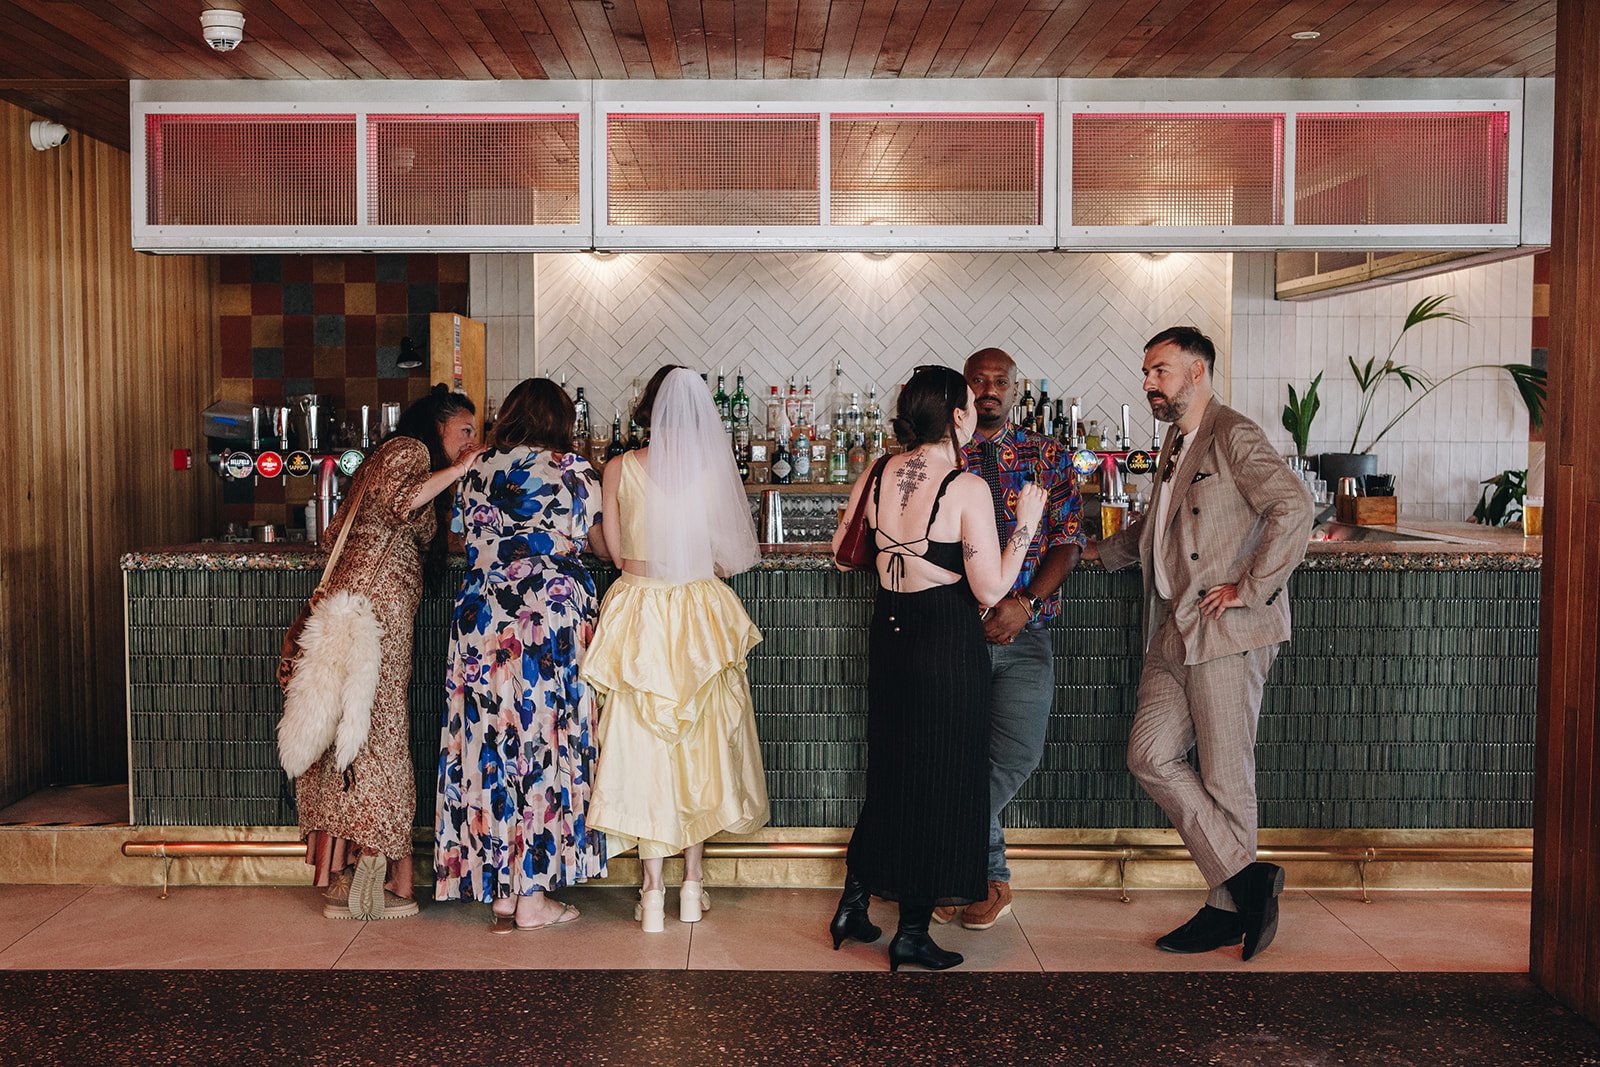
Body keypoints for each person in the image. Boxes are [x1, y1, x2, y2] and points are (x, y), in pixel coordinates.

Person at [1086, 326, 1314, 961]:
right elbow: (1158, 527)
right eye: (1147, 372)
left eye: (1159, 370)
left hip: (1225, 630)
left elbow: (1294, 506)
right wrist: (1092, 552)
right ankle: (1245, 879)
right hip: (1174, 628)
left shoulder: (1232, 432)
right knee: (1150, 755)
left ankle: (1225, 911)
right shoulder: (1175, 441)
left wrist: (1251, 587)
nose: (1148, 383)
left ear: (1197, 371)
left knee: (1224, 775)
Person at [828, 365, 1047, 972]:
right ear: (955, 416)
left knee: (891, 773)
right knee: (940, 780)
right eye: (969, 404)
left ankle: (852, 906)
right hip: (945, 641)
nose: (976, 412)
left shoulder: (878, 471)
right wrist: (1026, 525)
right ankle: (912, 934)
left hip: (890, 633)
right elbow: (991, 588)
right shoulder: (965, 485)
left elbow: (842, 556)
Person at [582, 366, 769, 933]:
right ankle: (691, 884)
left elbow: (616, 553)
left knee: (641, 746)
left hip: (639, 607)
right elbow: (728, 556)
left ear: (648, 408)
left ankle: (651, 891)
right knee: (699, 745)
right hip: (697, 611)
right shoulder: (712, 469)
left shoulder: (618, 468)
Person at [298, 385, 483, 921]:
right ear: (438, 425)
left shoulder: (396, 457)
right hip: (373, 612)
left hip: (362, 606)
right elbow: (402, 501)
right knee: (380, 729)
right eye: (465, 431)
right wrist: (461, 469)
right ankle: (382, 868)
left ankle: (361, 867)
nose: (472, 441)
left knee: (360, 731)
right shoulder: (410, 450)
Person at [434, 378, 609, 931]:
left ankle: (501, 890)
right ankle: (532, 897)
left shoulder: (475, 469)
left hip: (483, 618)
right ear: (562, 422)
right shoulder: (575, 471)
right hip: (547, 622)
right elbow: (604, 547)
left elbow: (461, 537)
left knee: (489, 742)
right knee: (542, 743)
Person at [938, 347, 1085, 932]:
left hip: (1028, 631)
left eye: (1001, 381)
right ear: (964, 389)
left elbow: (1068, 541)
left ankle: (944, 861)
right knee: (958, 755)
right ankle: (988, 880)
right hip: (955, 632)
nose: (990, 390)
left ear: (1016, 390)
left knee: (1017, 753)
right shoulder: (944, 456)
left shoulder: (1049, 455)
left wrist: (1025, 605)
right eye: (979, 381)